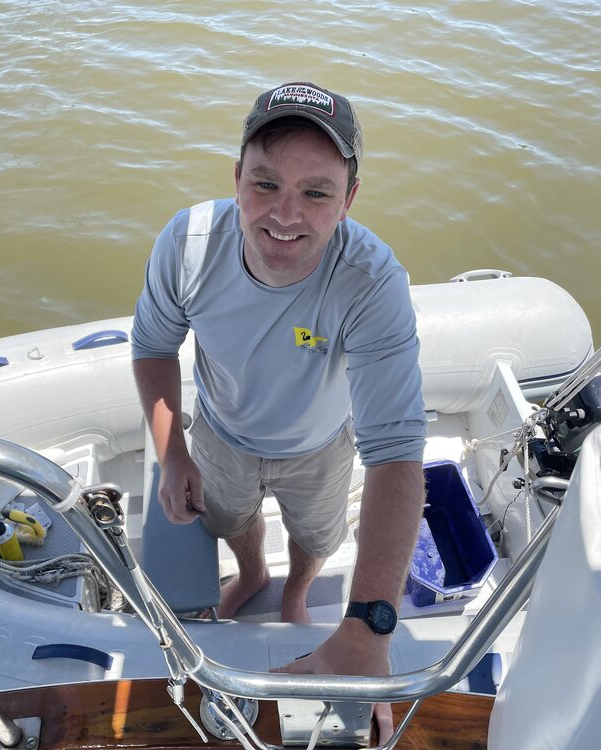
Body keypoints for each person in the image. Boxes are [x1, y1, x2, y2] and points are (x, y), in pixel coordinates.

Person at [130, 82, 426, 722]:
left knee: (315, 535)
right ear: (237, 178)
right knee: (231, 520)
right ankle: (253, 575)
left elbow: (397, 452)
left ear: (348, 199)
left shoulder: (372, 282)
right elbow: (153, 346)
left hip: (321, 447)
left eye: (316, 192)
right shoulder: (186, 245)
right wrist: (172, 452)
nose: (285, 214)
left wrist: (369, 629)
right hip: (220, 435)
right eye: (265, 184)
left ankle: (293, 592)